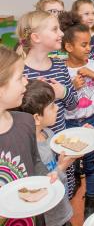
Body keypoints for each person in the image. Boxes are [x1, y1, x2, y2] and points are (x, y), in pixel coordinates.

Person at [16, 10, 78, 198]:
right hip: (33, 150)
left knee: (63, 190)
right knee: (41, 193)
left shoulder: (60, 66)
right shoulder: (20, 72)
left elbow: (73, 104)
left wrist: (63, 92)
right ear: (36, 37)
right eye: (54, 29)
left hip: (59, 144)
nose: (61, 33)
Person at [59, 11, 94, 219]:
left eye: (89, 43)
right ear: (68, 47)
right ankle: (68, 196)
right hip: (70, 123)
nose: (89, 48)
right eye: (83, 45)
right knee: (71, 162)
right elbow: (62, 105)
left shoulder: (92, 65)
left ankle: (90, 201)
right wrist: (71, 87)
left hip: (93, 120)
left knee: (92, 162)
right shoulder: (62, 71)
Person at [0, 46, 56, 226]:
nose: (26, 82)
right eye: (19, 77)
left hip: (33, 218)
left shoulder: (25, 122)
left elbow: (35, 161)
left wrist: (47, 178)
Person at [18, 79, 74, 226]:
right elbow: (39, 189)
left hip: (61, 207)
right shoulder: (30, 149)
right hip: (49, 219)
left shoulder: (48, 134)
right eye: (52, 106)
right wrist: (61, 168)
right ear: (37, 118)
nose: (57, 109)